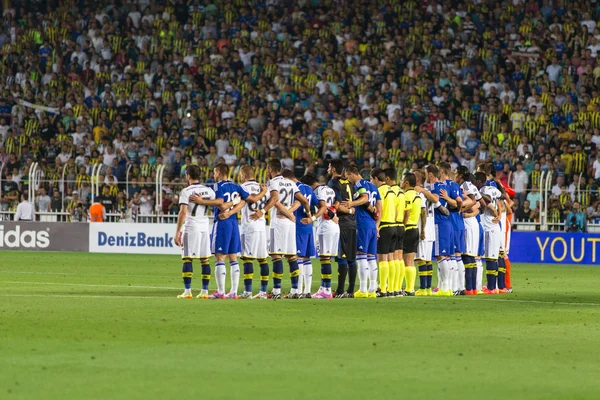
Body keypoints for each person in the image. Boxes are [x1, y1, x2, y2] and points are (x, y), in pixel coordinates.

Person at [190, 163, 265, 299]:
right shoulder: (237, 186)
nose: (213, 175)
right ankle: (234, 292)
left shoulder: (218, 186)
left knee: (219, 257)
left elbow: (220, 202)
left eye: (214, 172)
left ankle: (220, 291)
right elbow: (247, 200)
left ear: (218, 172)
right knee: (233, 257)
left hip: (222, 223)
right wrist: (264, 192)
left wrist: (202, 201)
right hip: (234, 223)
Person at [260, 159, 311, 299]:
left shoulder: (273, 183)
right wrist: (296, 213)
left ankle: (276, 291)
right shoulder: (291, 183)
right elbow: (303, 201)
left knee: (276, 256)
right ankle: (295, 290)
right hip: (290, 224)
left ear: (270, 169)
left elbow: (275, 200)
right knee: (291, 257)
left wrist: (264, 211)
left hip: (279, 222)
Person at [173, 165, 216, 299]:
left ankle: (187, 291)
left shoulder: (186, 191)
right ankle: (204, 292)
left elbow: (183, 212)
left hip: (191, 225)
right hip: (204, 225)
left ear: (188, 176)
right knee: (205, 259)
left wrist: (177, 232)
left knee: (187, 258)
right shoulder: (209, 191)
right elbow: (216, 204)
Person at [344, 165, 382, 298]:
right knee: (372, 258)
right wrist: (377, 225)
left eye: (347, 176)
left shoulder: (359, 183)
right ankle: (372, 289)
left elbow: (365, 198)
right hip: (372, 225)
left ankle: (363, 289)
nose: (347, 179)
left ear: (351, 174)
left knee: (361, 256)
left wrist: (351, 204)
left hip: (362, 224)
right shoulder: (374, 186)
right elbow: (379, 208)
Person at [416, 165, 453, 296]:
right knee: (443, 257)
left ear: (430, 174)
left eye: (427, 174)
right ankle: (445, 287)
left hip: (439, 224)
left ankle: (446, 287)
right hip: (443, 223)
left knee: (440, 256)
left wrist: (422, 190)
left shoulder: (436, 187)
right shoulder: (440, 187)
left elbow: (436, 199)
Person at [302, 173, 340, 299]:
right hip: (334, 226)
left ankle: (327, 290)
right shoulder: (329, 189)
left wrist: (312, 218)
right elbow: (335, 205)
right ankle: (324, 287)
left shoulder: (318, 192)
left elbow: (323, 208)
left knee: (324, 258)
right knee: (327, 258)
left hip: (325, 227)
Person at [281, 169, 318, 298]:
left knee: (298, 258)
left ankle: (298, 291)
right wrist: (311, 216)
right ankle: (307, 291)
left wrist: (288, 212)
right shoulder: (308, 188)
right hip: (308, 226)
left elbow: (300, 203)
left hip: (298, 226)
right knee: (307, 258)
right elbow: (318, 205)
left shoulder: (293, 187)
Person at [238, 166, 270, 299]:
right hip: (262, 226)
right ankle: (263, 292)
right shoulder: (264, 188)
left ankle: (248, 291)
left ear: (244, 175)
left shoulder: (242, 187)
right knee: (263, 259)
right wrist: (262, 211)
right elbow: (271, 202)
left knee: (247, 259)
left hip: (249, 225)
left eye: (240, 175)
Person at [327, 159, 358, 298]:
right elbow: (355, 202)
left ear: (333, 169)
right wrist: (352, 211)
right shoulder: (350, 183)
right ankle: (350, 290)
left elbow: (337, 204)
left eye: (329, 167)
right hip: (352, 223)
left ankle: (340, 290)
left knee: (343, 257)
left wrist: (346, 211)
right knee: (352, 257)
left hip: (343, 223)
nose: (327, 169)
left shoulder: (333, 183)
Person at [369, 168, 397, 297]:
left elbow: (379, 210)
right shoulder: (391, 190)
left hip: (384, 225)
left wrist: (377, 226)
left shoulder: (379, 191)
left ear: (375, 178)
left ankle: (383, 289)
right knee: (391, 259)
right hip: (394, 225)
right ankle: (391, 288)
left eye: (371, 179)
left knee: (382, 259)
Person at [474, 172, 503, 295]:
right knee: (493, 258)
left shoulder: (484, 190)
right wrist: (499, 213)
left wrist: (478, 193)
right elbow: (500, 202)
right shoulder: (495, 189)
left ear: (479, 182)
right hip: (494, 227)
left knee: (491, 258)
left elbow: (489, 200)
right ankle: (493, 286)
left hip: (489, 227)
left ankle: (491, 288)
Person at [455, 167, 482, 296]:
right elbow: (480, 203)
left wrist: (462, 208)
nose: (454, 175)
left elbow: (473, 201)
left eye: (456, 173)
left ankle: (469, 288)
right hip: (472, 223)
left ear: (460, 175)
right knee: (471, 257)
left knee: (467, 256)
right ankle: (472, 288)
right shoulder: (472, 185)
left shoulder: (465, 185)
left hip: (468, 224)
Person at [384, 167, 406, 297]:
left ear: (387, 178)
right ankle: (397, 288)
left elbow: (395, 210)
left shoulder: (391, 192)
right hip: (401, 225)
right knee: (399, 258)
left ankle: (389, 287)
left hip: (392, 224)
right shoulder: (401, 192)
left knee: (389, 258)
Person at [414, 170, 436, 296]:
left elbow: (423, 212)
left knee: (421, 259)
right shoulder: (428, 193)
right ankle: (427, 288)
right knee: (427, 260)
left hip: (424, 229)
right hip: (430, 230)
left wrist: (422, 230)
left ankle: (423, 288)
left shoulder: (420, 194)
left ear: (417, 179)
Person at [401, 172, 422, 296]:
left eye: (403, 180)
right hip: (415, 228)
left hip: (407, 229)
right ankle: (410, 288)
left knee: (405, 261)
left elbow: (407, 212)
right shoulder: (418, 196)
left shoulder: (407, 195)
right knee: (410, 261)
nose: (401, 182)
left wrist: (401, 227)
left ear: (407, 182)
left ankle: (408, 289)